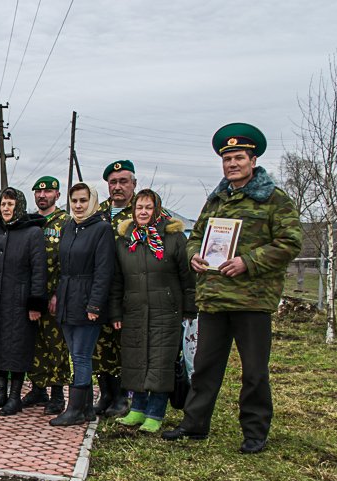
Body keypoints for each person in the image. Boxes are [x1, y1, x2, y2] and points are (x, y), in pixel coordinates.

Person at [163, 123, 302, 454]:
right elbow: (196, 236)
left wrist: (248, 261)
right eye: (227, 159)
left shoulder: (273, 199)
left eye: (239, 158)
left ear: (252, 160)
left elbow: (290, 241)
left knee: (254, 372)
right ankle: (194, 424)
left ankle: (254, 431)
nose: (232, 164)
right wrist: (194, 254)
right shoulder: (217, 200)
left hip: (252, 300)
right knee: (205, 367)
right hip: (214, 298)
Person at [109, 189, 196, 433]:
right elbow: (117, 280)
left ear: (157, 210)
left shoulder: (173, 238)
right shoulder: (126, 241)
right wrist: (116, 312)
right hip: (133, 310)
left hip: (166, 311)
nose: (143, 212)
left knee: (161, 362)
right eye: (139, 208)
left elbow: (188, 277)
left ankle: (155, 413)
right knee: (135, 359)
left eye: (148, 207)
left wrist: (189, 309)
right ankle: (137, 408)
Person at [0, 187, 47, 416]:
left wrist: (36, 303)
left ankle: (14, 398)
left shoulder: (33, 232)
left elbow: (39, 270)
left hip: (19, 302)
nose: (6, 208)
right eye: (3, 204)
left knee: (15, 348)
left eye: (10, 204)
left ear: (20, 206)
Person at [50, 182, 115, 426]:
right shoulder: (69, 227)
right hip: (67, 298)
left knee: (81, 356)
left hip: (87, 299)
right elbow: (61, 267)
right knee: (74, 354)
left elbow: (104, 272)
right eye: (74, 200)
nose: (78, 205)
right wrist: (58, 295)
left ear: (93, 201)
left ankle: (75, 409)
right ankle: (86, 408)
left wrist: (95, 306)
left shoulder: (102, 229)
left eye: (83, 200)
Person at [23, 176, 72, 415]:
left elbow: (68, 262)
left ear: (57, 195)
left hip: (53, 296)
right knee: (34, 344)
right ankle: (38, 388)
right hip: (31, 295)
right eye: (39, 192)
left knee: (55, 345)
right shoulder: (30, 222)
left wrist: (57, 295)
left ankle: (57, 393)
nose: (43, 196)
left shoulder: (65, 222)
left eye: (48, 192)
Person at [93, 160, 137, 417]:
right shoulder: (98, 212)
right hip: (100, 290)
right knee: (100, 345)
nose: (117, 187)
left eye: (123, 181)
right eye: (113, 182)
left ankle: (123, 397)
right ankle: (105, 393)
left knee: (123, 345)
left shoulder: (142, 211)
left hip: (128, 290)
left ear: (133, 184)